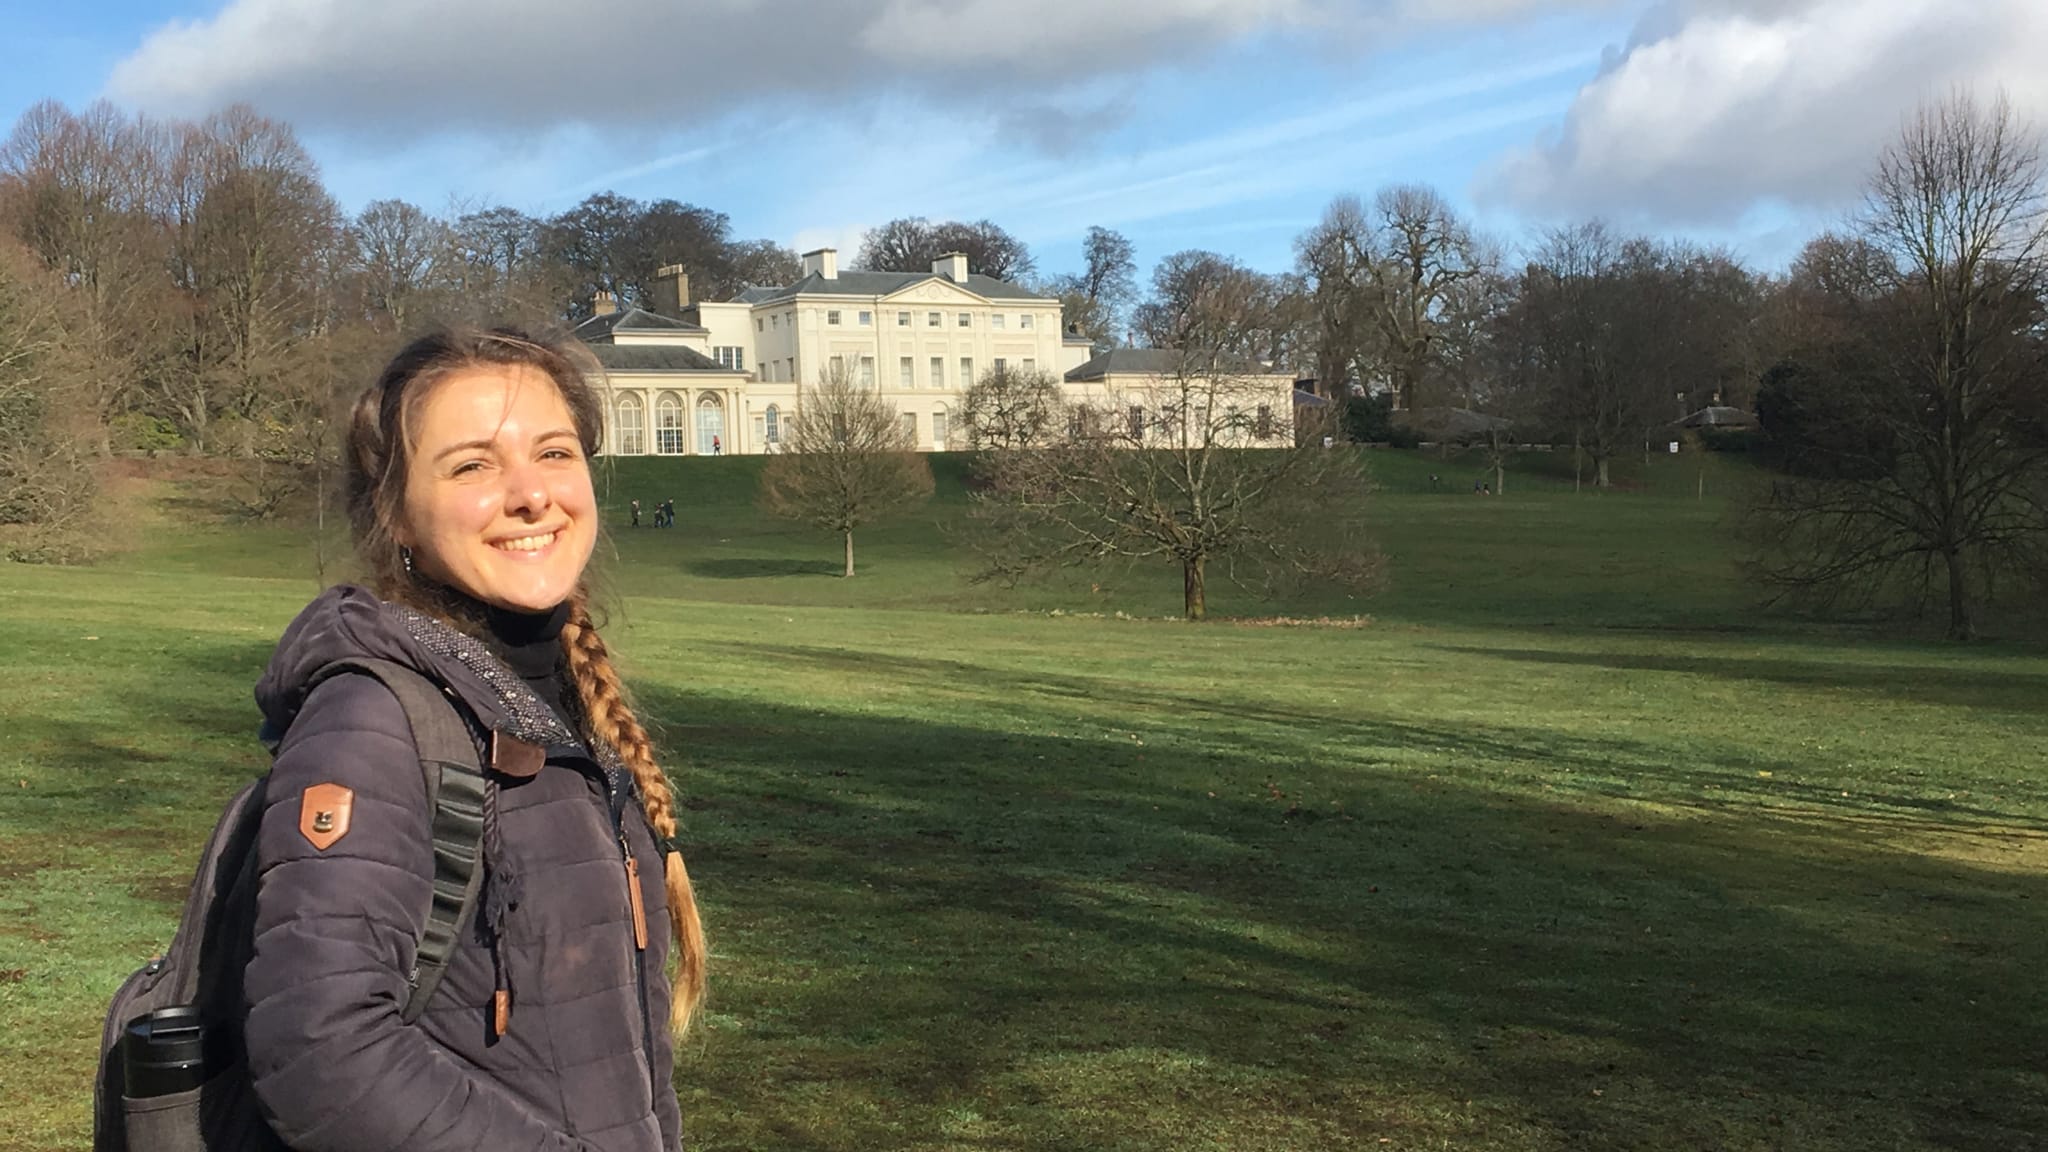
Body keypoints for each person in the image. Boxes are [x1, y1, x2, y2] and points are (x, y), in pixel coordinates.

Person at [246, 328, 705, 1152]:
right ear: (397, 517)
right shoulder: (372, 717)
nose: (531, 494)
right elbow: (319, 1051)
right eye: (473, 466)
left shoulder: (560, 705)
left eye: (555, 454)